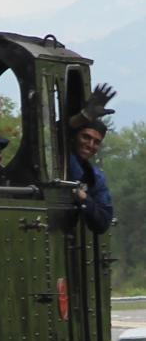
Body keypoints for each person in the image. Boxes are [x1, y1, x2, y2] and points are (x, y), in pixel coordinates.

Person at [68, 83, 115, 235]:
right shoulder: (60, 156)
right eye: (86, 137)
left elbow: (103, 221)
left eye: (96, 142)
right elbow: (57, 130)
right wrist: (84, 117)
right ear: (75, 137)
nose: (90, 145)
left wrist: (84, 198)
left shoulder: (96, 177)